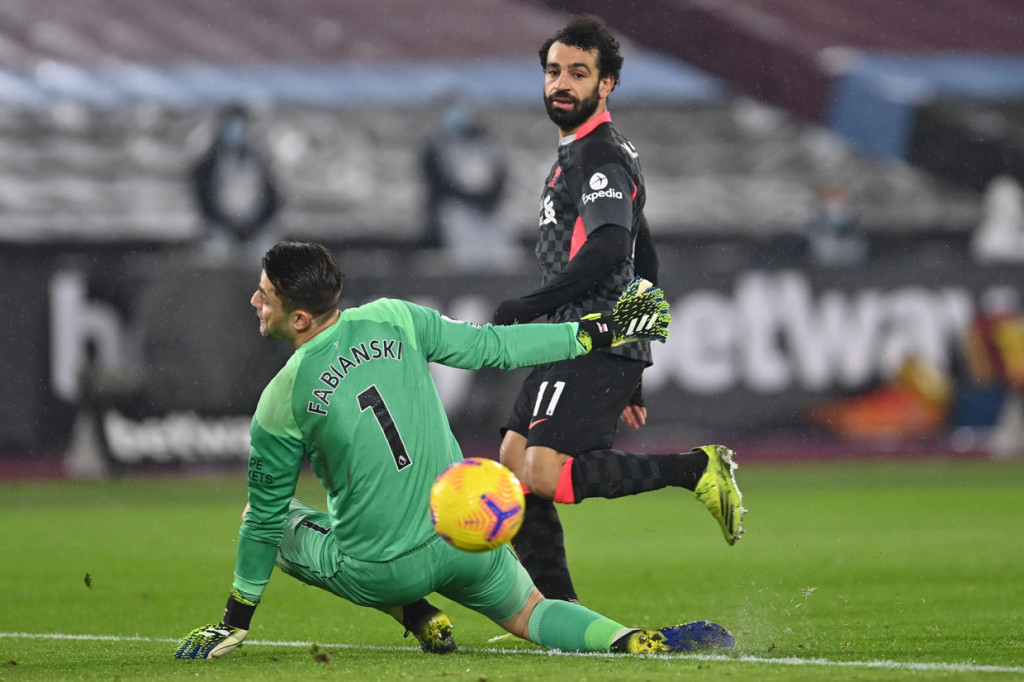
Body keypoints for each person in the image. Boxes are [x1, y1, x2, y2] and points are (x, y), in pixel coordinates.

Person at [174, 241, 733, 660]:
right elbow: (494, 347)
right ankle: (629, 639)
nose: (254, 300)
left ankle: (415, 611)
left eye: (264, 294)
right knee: (532, 612)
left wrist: (235, 619)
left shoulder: (281, 399)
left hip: (383, 570)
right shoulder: (396, 316)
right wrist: (594, 332)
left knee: (260, 515)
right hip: (462, 535)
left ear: (300, 319)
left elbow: (265, 519)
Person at [492, 15, 745, 604]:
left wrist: (531, 305)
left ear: (606, 84)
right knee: (511, 466)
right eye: (554, 71)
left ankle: (695, 468)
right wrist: (637, 363)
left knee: (542, 474)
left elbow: (610, 248)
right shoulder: (587, 151)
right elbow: (644, 253)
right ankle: (558, 615)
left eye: (579, 73)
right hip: (579, 335)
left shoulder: (598, 153)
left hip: (590, 332)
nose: (562, 83)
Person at [420, 99, 515, 271]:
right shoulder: (437, 148)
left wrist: (487, 196)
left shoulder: (483, 145)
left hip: (486, 208)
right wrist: (464, 195)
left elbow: (499, 174)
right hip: (456, 206)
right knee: (466, 252)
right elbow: (438, 183)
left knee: (497, 252)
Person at [191, 104, 281, 263]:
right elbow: (203, 197)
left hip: (257, 228)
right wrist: (222, 224)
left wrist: (257, 225)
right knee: (216, 255)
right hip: (219, 228)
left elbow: (274, 197)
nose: (236, 133)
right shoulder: (211, 162)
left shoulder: (259, 160)